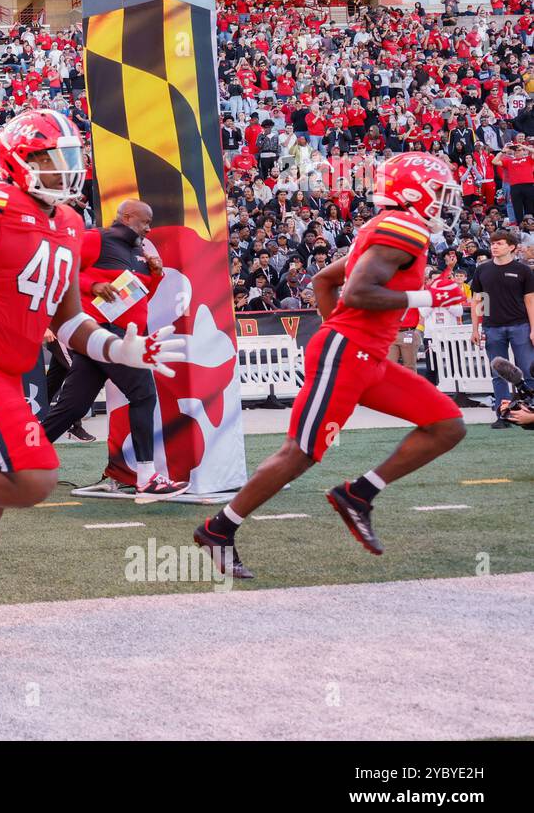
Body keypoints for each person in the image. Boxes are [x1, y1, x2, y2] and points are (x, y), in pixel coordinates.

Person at [0, 109, 186, 644]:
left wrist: (123, 350)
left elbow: (67, 320)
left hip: (0, 367)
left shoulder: (68, 224)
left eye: (68, 155)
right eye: (50, 156)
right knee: (37, 476)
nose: (64, 167)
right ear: (18, 161)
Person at [193, 153, 470, 578]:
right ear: (413, 193)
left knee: (447, 424)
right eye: (438, 192)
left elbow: (325, 280)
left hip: (366, 355)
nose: (445, 202)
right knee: (300, 454)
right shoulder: (404, 227)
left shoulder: (388, 228)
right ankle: (218, 529)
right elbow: (357, 293)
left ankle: (358, 493)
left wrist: (340, 330)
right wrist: (427, 299)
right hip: (349, 352)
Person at [40, 199, 189, 497]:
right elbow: (64, 272)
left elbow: (137, 295)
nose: (148, 228)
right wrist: (93, 286)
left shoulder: (138, 252)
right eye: (144, 222)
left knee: (73, 407)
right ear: (127, 216)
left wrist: (155, 275)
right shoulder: (98, 238)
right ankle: (147, 478)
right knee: (144, 394)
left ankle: (13, 460)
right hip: (103, 333)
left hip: (114, 334)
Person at [470, 230, 534, 427]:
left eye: (499, 243)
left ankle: (530, 411)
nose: (494, 246)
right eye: (493, 243)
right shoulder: (482, 270)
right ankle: (502, 414)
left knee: (528, 371)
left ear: (512, 247)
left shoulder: (523, 270)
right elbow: (479, 300)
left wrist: (533, 328)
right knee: (498, 374)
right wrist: (476, 328)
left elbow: (530, 300)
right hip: (492, 328)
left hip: (521, 326)